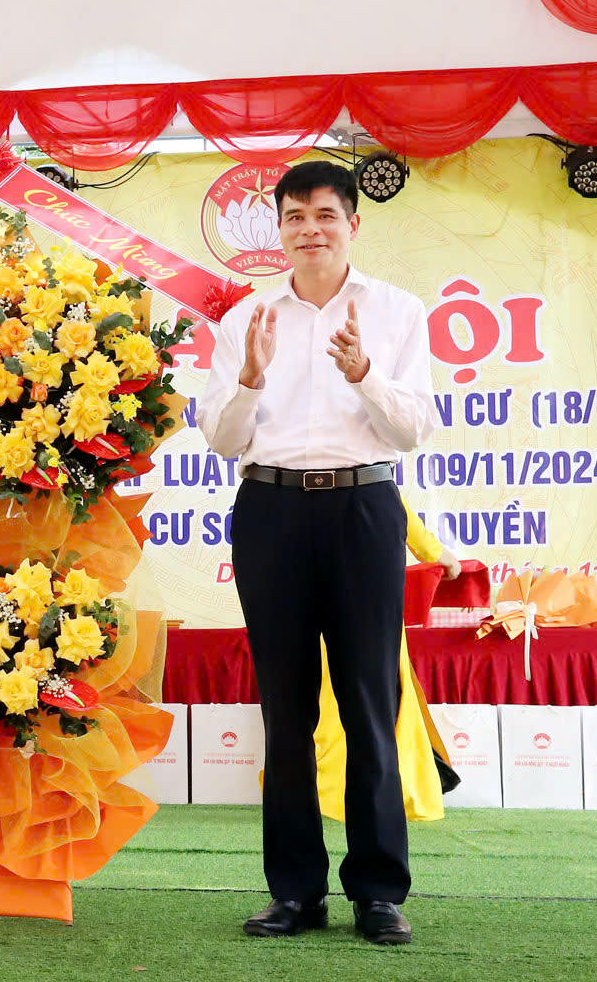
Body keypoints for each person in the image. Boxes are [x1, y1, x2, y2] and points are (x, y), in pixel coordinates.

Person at [199, 160, 436, 946]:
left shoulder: (398, 312)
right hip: (269, 507)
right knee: (285, 706)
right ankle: (294, 891)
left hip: (365, 506)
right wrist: (247, 382)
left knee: (370, 701)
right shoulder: (245, 322)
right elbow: (223, 438)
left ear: (353, 224)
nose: (310, 229)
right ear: (279, 228)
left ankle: (378, 890)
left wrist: (365, 373)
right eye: (295, 216)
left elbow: (411, 431)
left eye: (326, 215)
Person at [313, 501, 462, 823]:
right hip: (363, 578)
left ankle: (325, 790)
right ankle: (362, 792)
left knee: (329, 687)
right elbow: (387, 499)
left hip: (319, 576)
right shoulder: (366, 465)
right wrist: (436, 553)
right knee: (369, 690)